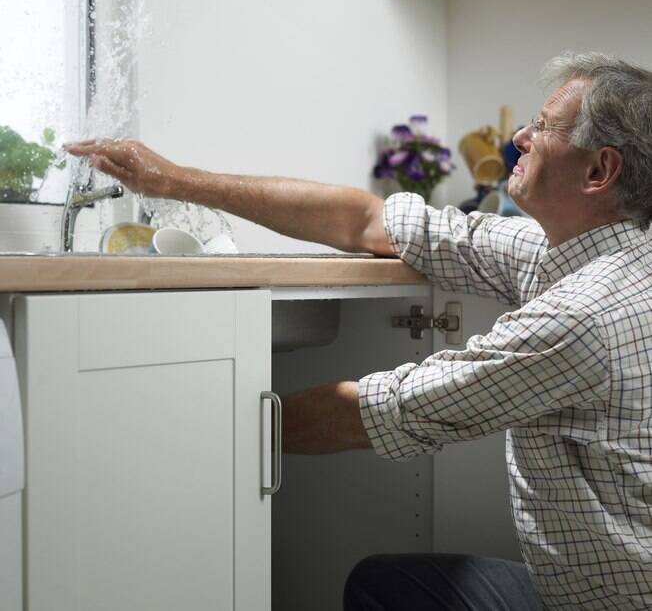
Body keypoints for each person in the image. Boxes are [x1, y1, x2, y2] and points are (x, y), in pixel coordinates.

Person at [64, 51, 652, 611]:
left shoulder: (581, 317)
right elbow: (368, 220)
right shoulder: (582, 257)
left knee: (385, 588)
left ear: (599, 171)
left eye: (543, 127)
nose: (521, 137)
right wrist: (177, 181)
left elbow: (381, 410)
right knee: (391, 581)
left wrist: (182, 432)